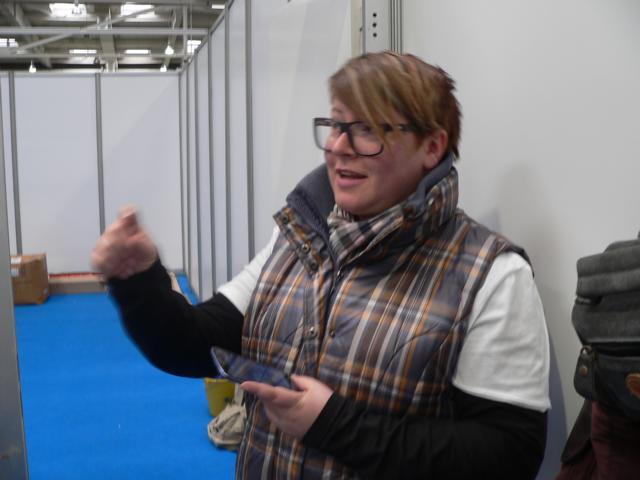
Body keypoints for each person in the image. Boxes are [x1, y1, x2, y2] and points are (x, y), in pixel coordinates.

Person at [92, 51, 550, 479]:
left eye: (368, 129)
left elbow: (508, 456)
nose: (339, 147)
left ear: (432, 146)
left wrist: (335, 424)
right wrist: (138, 283)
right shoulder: (298, 237)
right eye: (335, 124)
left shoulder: (491, 275)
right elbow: (195, 344)